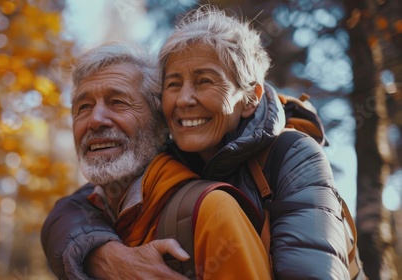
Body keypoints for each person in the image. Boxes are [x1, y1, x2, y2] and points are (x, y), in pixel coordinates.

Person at [42, 6, 350, 279]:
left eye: (205, 81)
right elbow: (69, 211)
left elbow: (312, 263)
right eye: (174, 84)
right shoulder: (162, 153)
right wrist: (103, 255)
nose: (185, 100)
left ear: (250, 99)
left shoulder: (291, 155)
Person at [48, 41, 272, 279]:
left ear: (160, 126)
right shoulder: (87, 213)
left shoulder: (212, 211)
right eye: (83, 107)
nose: (96, 120)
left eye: (118, 102)